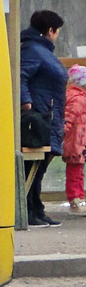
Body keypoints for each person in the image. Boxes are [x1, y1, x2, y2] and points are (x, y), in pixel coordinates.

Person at [20, 9, 68, 227]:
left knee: (41, 165)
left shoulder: (40, 50)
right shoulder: (34, 50)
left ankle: (36, 208)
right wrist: (25, 102)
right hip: (39, 117)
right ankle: (29, 209)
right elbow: (21, 75)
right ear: (51, 31)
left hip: (47, 114)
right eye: (57, 31)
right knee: (34, 165)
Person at [63, 65, 86, 215]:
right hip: (76, 141)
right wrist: (63, 133)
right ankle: (75, 198)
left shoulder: (73, 96)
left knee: (78, 170)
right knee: (75, 171)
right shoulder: (78, 99)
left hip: (78, 140)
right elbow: (68, 119)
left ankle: (79, 196)